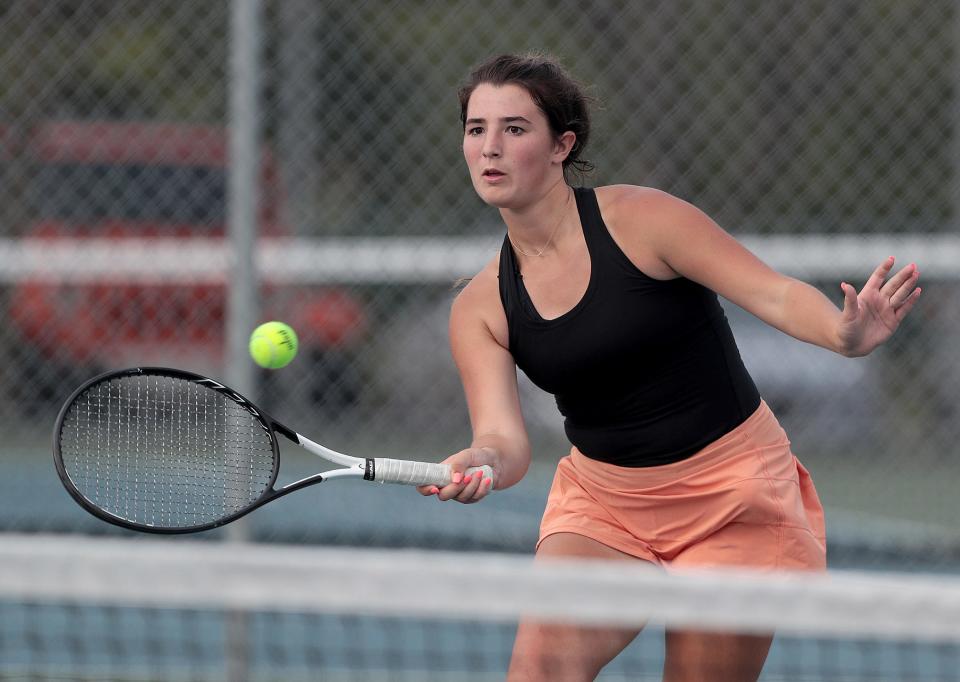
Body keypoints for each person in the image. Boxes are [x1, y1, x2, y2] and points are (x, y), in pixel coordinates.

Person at [417, 52, 922, 681]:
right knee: (537, 672)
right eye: (476, 129)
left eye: (514, 129)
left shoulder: (644, 221)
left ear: (560, 146)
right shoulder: (480, 307)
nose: (490, 146)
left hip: (734, 493)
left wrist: (842, 335)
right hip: (604, 504)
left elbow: (773, 293)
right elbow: (503, 443)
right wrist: (480, 462)